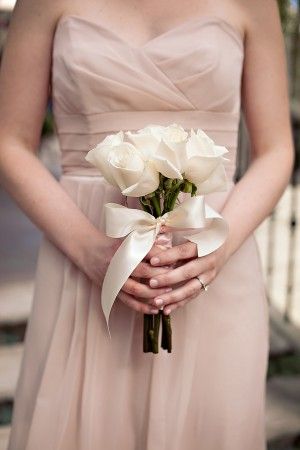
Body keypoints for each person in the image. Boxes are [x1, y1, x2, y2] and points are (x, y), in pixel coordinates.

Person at [0, 0, 294, 449]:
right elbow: (9, 141)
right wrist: (93, 253)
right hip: (82, 263)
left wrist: (218, 247)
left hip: (210, 268)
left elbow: (277, 149)